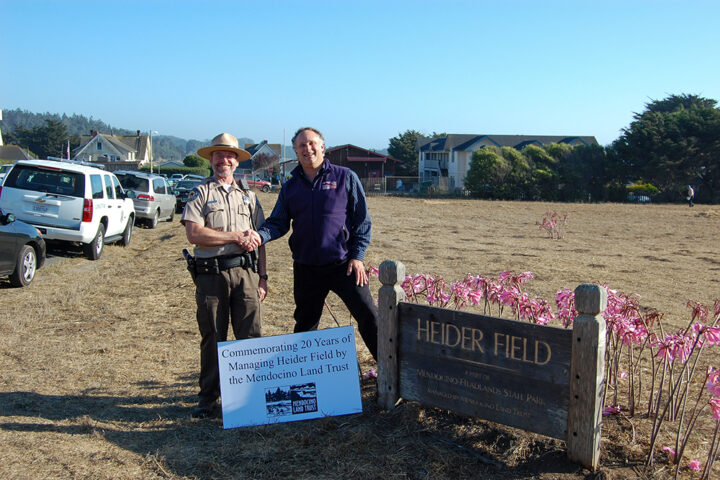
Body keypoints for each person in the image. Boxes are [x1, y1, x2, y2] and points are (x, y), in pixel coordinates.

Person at [247, 127, 379, 360]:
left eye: (312, 143)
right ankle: (307, 378)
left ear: (322, 146)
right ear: (296, 152)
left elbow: (362, 222)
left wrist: (358, 257)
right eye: (301, 146)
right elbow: (278, 223)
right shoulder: (290, 187)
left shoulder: (345, 177)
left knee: (370, 317)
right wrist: (259, 236)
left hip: (345, 265)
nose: (307, 149)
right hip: (306, 268)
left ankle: (391, 376)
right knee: (305, 326)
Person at [181, 132, 268, 419]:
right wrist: (234, 236)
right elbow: (194, 233)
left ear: (236, 161)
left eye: (229, 155)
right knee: (213, 337)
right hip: (211, 275)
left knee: (250, 335)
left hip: (246, 273)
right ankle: (208, 399)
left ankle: (249, 397)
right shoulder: (201, 193)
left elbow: (260, 240)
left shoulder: (249, 196)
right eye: (218, 155)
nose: (224, 160)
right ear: (211, 159)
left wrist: (263, 278)